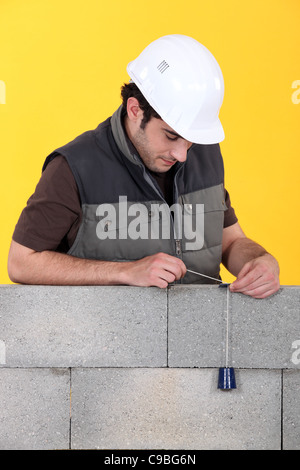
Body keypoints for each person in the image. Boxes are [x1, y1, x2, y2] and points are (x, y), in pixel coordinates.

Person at [7, 34, 280, 298]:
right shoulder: (74, 167)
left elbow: (229, 242)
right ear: (135, 110)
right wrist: (125, 272)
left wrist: (259, 261)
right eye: (171, 136)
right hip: (103, 341)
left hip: (202, 338)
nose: (182, 154)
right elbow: (21, 262)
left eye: (191, 141)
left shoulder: (205, 152)